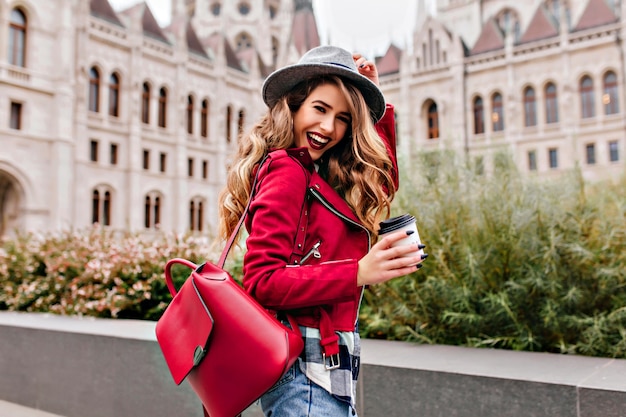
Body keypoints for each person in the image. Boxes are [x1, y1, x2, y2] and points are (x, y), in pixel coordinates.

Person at [218, 45, 427, 417]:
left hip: (325, 371)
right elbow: (261, 281)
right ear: (294, 106)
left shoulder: (314, 174)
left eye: (344, 118)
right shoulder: (287, 171)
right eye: (320, 109)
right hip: (307, 376)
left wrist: (376, 110)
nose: (328, 127)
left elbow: (379, 184)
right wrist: (359, 272)